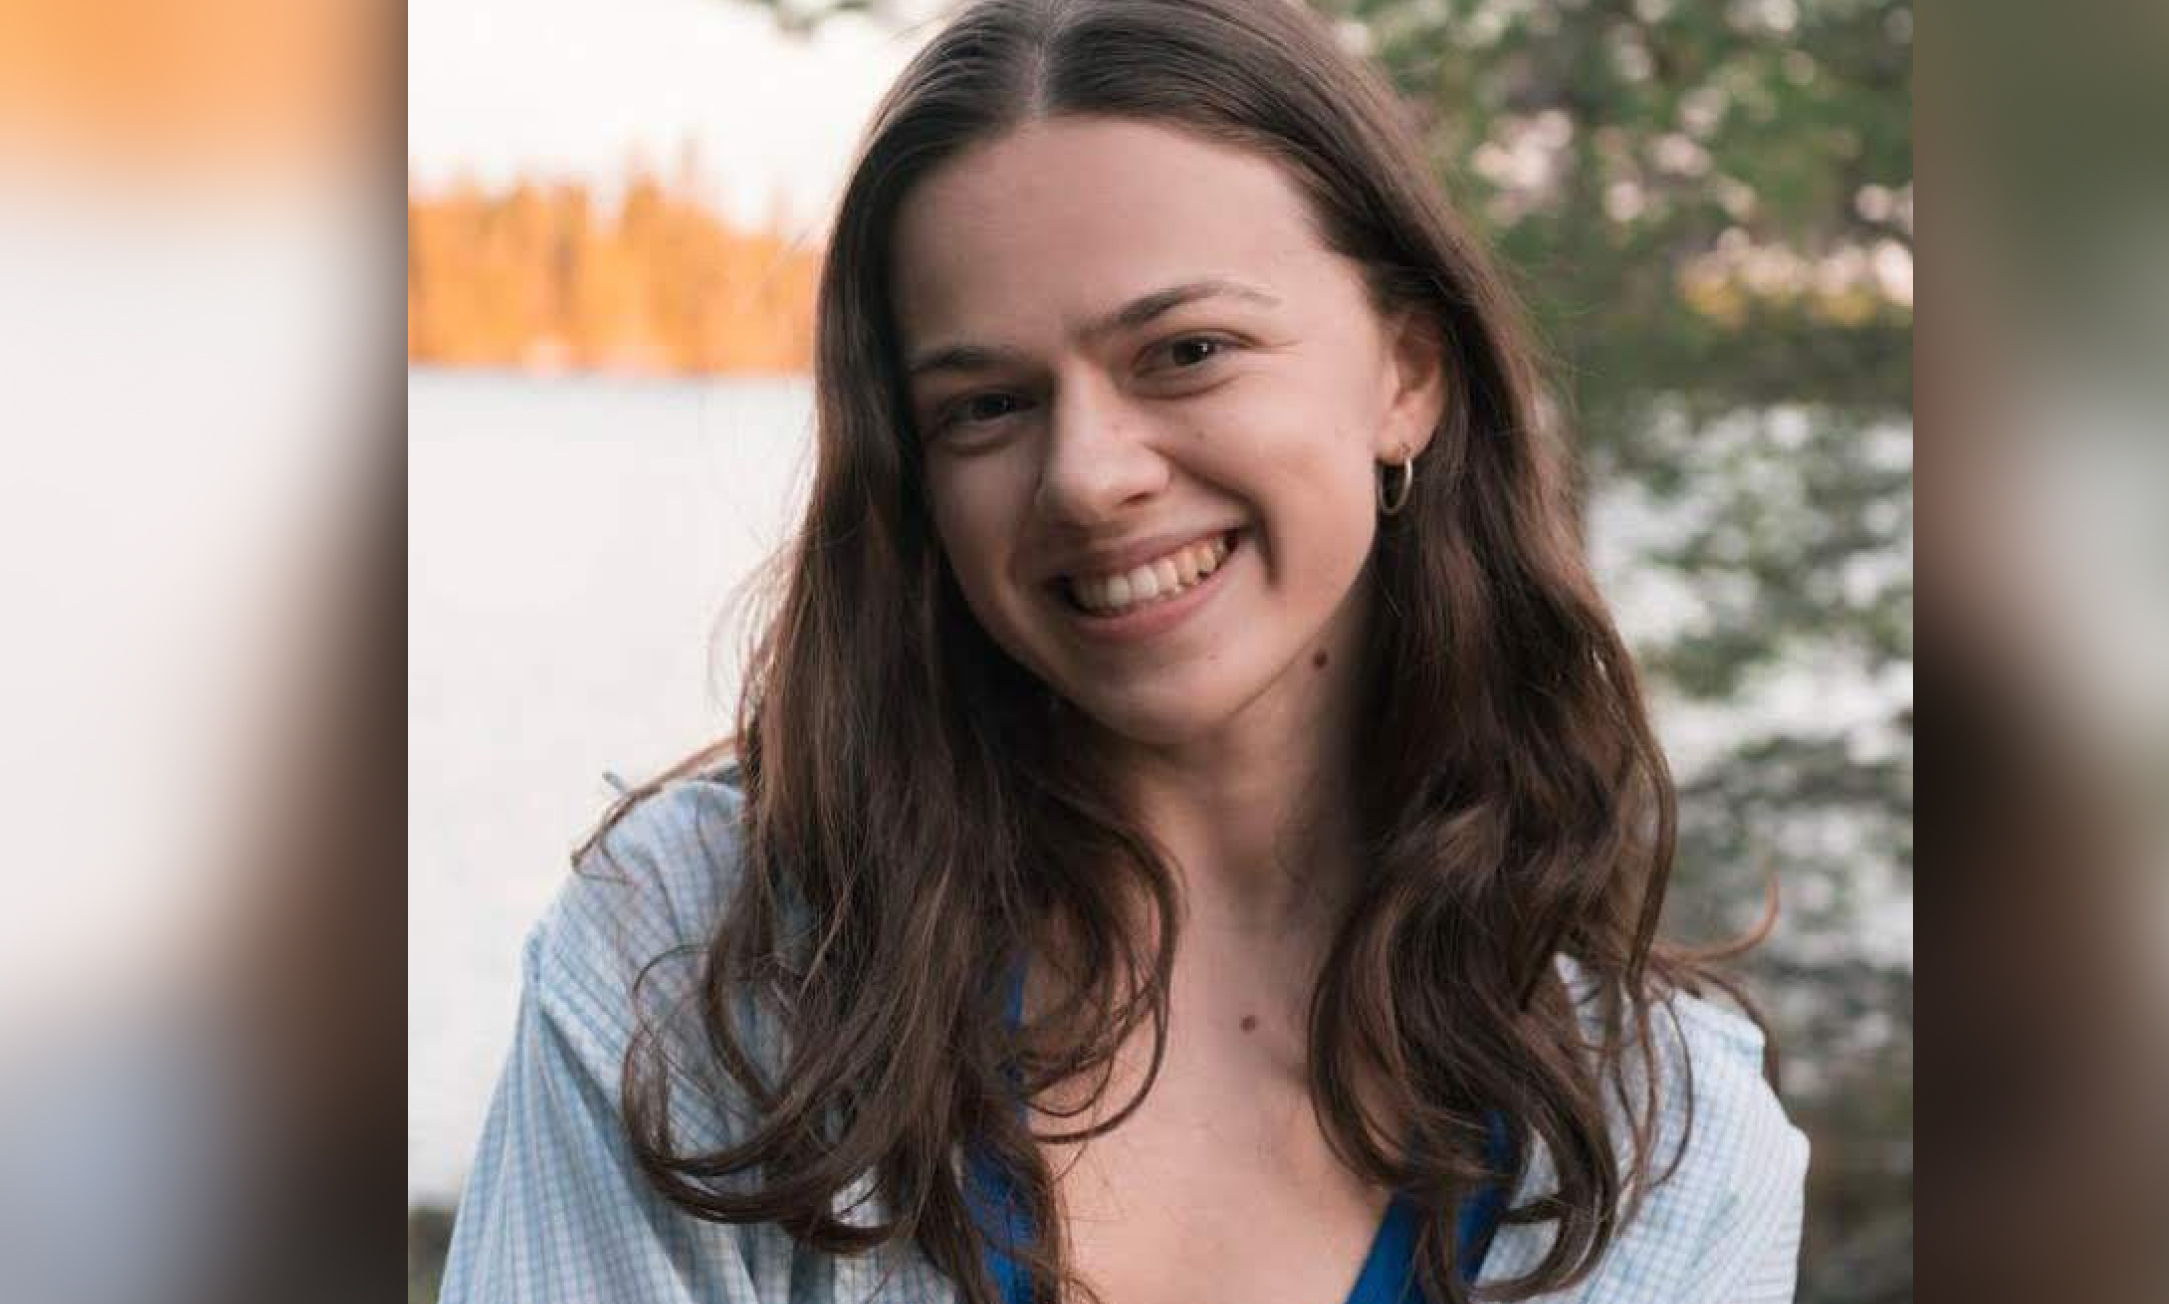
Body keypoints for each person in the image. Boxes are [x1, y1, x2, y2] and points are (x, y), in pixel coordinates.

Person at [439, 1, 1808, 1301]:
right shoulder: (700, 964)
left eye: (1188, 350)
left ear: (1407, 372)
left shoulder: (1662, 1145)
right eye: (986, 405)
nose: (1087, 476)